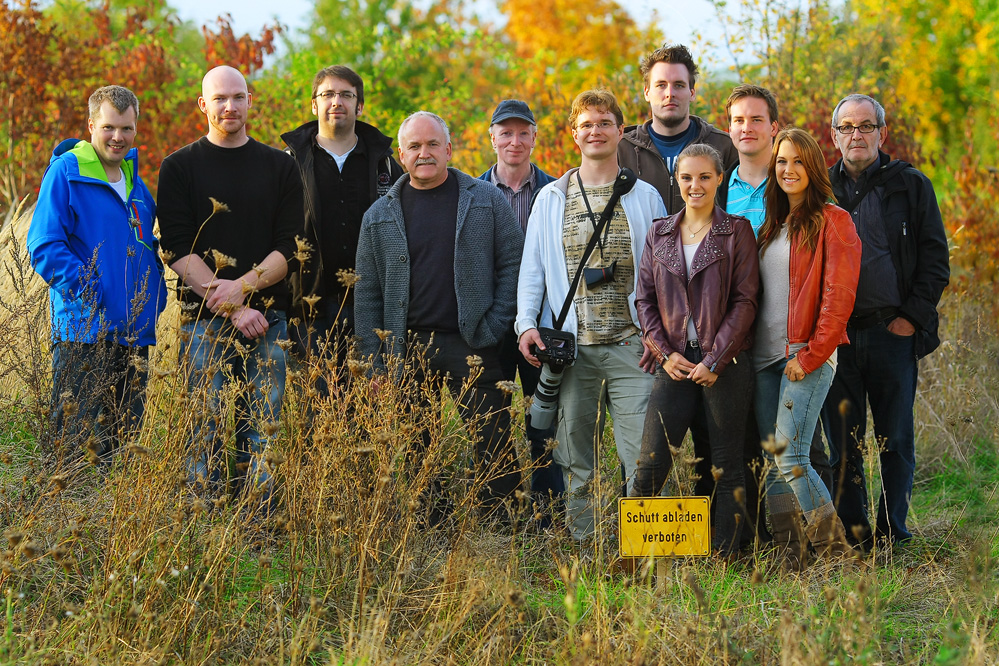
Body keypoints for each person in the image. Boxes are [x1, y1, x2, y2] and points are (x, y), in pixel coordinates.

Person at [354, 111, 524, 524]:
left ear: (448, 149)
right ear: (401, 154)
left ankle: (505, 525)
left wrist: (494, 324)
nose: (424, 153)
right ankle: (432, 523)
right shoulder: (379, 215)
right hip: (405, 344)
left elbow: (514, 265)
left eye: (433, 145)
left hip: (470, 340)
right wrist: (375, 361)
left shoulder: (485, 199)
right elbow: (368, 293)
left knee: (491, 436)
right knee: (415, 443)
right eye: (414, 146)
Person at [517, 89, 666, 542]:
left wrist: (660, 335)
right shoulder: (550, 198)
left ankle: (642, 551)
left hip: (632, 346)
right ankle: (585, 544)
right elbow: (534, 269)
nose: (595, 131)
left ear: (622, 131)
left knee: (640, 455)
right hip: (572, 349)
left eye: (604, 122)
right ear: (573, 134)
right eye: (586, 124)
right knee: (575, 457)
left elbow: (663, 272)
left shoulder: (645, 196)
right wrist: (526, 324)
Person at [157, 66, 303, 505]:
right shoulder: (179, 166)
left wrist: (244, 287)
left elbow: (290, 247)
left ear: (249, 101)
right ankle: (202, 516)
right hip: (202, 320)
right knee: (203, 422)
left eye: (238, 97)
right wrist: (234, 306)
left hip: (269, 321)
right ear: (203, 104)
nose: (230, 107)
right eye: (219, 98)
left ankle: (257, 518)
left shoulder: (280, 167)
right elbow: (177, 249)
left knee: (263, 425)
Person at [823, 94, 950, 547]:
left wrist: (911, 320)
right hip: (835, 340)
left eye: (865, 126)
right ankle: (857, 536)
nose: (856, 135)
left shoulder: (910, 186)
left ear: (882, 133)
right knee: (843, 443)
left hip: (891, 332)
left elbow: (935, 260)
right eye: (847, 127)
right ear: (833, 135)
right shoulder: (820, 189)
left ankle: (893, 531)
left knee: (894, 438)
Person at [28, 85, 167, 462]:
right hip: (84, 333)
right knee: (70, 453)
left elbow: (147, 246)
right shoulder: (67, 173)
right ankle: (60, 519)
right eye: (108, 127)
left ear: (136, 129)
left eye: (126, 128)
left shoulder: (136, 185)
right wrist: (92, 292)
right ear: (91, 125)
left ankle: (110, 521)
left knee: (121, 451)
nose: (118, 137)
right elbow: (44, 244)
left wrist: (154, 290)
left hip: (135, 335)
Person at [633, 143, 759, 556]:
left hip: (725, 363)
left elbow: (745, 302)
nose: (695, 185)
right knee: (651, 460)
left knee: (726, 461)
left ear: (720, 178)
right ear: (677, 181)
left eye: (705, 176)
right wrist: (665, 354)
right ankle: (635, 554)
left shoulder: (736, 231)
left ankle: (727, 556)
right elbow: (645, 301)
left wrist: (715, 359)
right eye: (687, 177)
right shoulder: (660, 232)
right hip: (674, 362)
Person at [754, 128, 862, 569]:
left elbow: (840, 298)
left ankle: (838, 555)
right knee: (774, 456)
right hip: (763, 358)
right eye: (781, 161)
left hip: (804, 353)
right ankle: (790, 554)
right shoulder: (773, 223)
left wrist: (811, 355)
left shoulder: (834, 220)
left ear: (813, 167)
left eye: (798, 161)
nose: (788, 169)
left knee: (792, 453)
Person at [281, 65, 402, 394]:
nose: (337, 101)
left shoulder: (386, 164)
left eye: (346, 95)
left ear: (359, 106)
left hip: (371, 305)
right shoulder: (288, 162)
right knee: (316, 412)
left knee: (368, 409)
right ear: (314, 105)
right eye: (328, 94)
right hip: (308, 305)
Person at [476, 99, 562, 522]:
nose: (514, 140)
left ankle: (549, 514)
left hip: (542, 326)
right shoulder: (470, 193)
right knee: (489, 420)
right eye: (505, 133)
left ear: (534, 138)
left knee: (543, 419)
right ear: (491, 138)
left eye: (522, 132)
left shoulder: (556, 192)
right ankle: (502, 514)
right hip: (491, 327)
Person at [618, 43, 738, 216]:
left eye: (679, 85)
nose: (670, 93)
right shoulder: (621, 150)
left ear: (692, 93)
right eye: (661, 85)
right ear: (646, 92)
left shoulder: (724, 147)